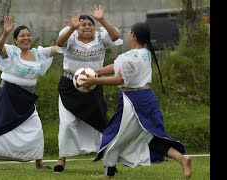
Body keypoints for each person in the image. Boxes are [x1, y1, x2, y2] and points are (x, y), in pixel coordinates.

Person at [82, 22, 192, 179]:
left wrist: (94, 80)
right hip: (146, 98)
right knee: (152, 137)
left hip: (133, 102)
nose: (128, 35)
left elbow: (119, 79)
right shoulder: (144, 53)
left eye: (129, 32)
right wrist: (97, 72)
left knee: (112, 134)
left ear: (133, 35)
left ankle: (108, 174)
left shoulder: (129, 57)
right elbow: (116, 66)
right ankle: (183, 159)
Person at [0, 16, 58, 170]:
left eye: (28, 35)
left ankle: (39, 163)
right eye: (22, 36)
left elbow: (58, 48)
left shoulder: (38, 54)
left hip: (27, 99)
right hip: (7, 96)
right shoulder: (11, 52)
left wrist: (70, 30)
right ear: (15, 40)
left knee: (36, 128)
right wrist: (5, 33)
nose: (26, 38)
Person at [53, 5, 123, 173]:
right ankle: (62, 158)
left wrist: (101, 20)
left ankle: (108, 161)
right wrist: (71, 27)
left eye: (89, 24)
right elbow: (59, 43)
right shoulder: (71, 36)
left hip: (93, 87)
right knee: (68, 123)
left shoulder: (100, 38)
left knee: (99, 123)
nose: (86, 27)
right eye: (83, 24)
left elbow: (116, 36)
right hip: (69, 87)